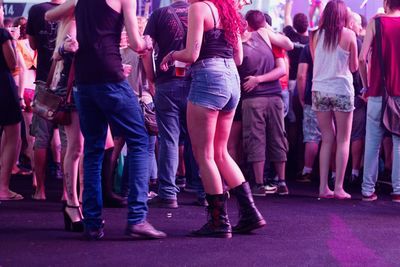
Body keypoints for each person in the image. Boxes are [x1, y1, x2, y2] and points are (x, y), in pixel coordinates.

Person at [49, 0, 166, 240]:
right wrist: (146, 43)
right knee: (141, 140)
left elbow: (49, 15)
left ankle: (92, 222)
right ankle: (137, 219)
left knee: (93, 149)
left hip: (84, 81)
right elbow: (135, 42)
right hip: (110, 76)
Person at [161, 0, 265, 238]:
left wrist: (171, 55)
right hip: (231, 79)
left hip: (208, 78)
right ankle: (250, 214)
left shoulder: (199, 9)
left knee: (204, 154)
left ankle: (219, 221)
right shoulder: (228, 11)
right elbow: (238, 58)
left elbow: (191, 54)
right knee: (220, 152)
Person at [143, 0, 190, 209]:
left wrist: (151, 78)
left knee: (169, 139)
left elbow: (145, 48)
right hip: (196, 81)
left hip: (167, 81)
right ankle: (204, 191)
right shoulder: (202, 11)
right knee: (200, 139)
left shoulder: (159, 14)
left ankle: (168, 193)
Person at [311, 0, 358, 199]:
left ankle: (323, 187)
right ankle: (338, 187)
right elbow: (354, 67)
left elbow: (317, 62)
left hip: (320, 89)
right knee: (343, 139)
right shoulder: (349, 35)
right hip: (341, 89)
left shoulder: (314, 34)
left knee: (327, 138)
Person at [240, 10, 289, 197]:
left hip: (254, 98)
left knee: (255, 140)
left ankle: (259, 184)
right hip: (275, 96)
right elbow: (282, 69)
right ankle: (282, 182)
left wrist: (257, 80)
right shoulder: (269, 36)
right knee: (278, 137)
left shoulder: (240, 42)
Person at [45, 9, 84, 231]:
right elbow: (58, 55)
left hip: (87, 89)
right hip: (74, 92)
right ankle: (72, 203)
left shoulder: (85, 20)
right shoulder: (74, 23)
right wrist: (65, 48)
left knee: (88, 149)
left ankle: (79, 204)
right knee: (77, 148)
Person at [359, 0, 400, 202]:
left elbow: (361, 58)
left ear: (386, 3)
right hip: (399, 94)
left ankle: (367, 190)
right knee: (399, 142)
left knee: (373, 142)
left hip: (377, 91)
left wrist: (366, 86)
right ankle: (398, 191)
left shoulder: (375, 23)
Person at [27, 0, 64, 200]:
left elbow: (33, 45)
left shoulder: (36, 10)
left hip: (44, 80)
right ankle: (67, 194)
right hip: (68, 83)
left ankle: (40, 190)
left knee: (41, 138)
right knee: (69, 141)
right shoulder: (74, 8)